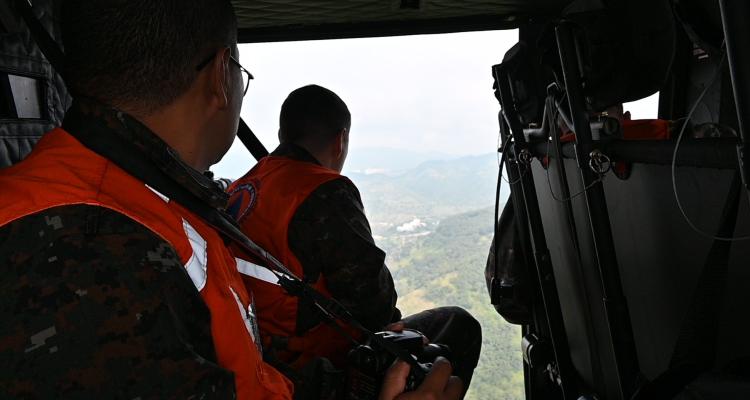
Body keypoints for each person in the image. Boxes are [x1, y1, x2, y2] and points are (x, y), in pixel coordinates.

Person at [0, 1, 462, 399]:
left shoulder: (153, 197)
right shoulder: (93, 249)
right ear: (222, 75)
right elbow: (370, 300)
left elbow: (235, 363)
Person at [227, 85, 482, 390]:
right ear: (341, 140)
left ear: (282, 135)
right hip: (311, 371)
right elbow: (374, 303)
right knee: (459, 325)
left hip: (253, 354)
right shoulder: (324, 189)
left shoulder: (243, 187)